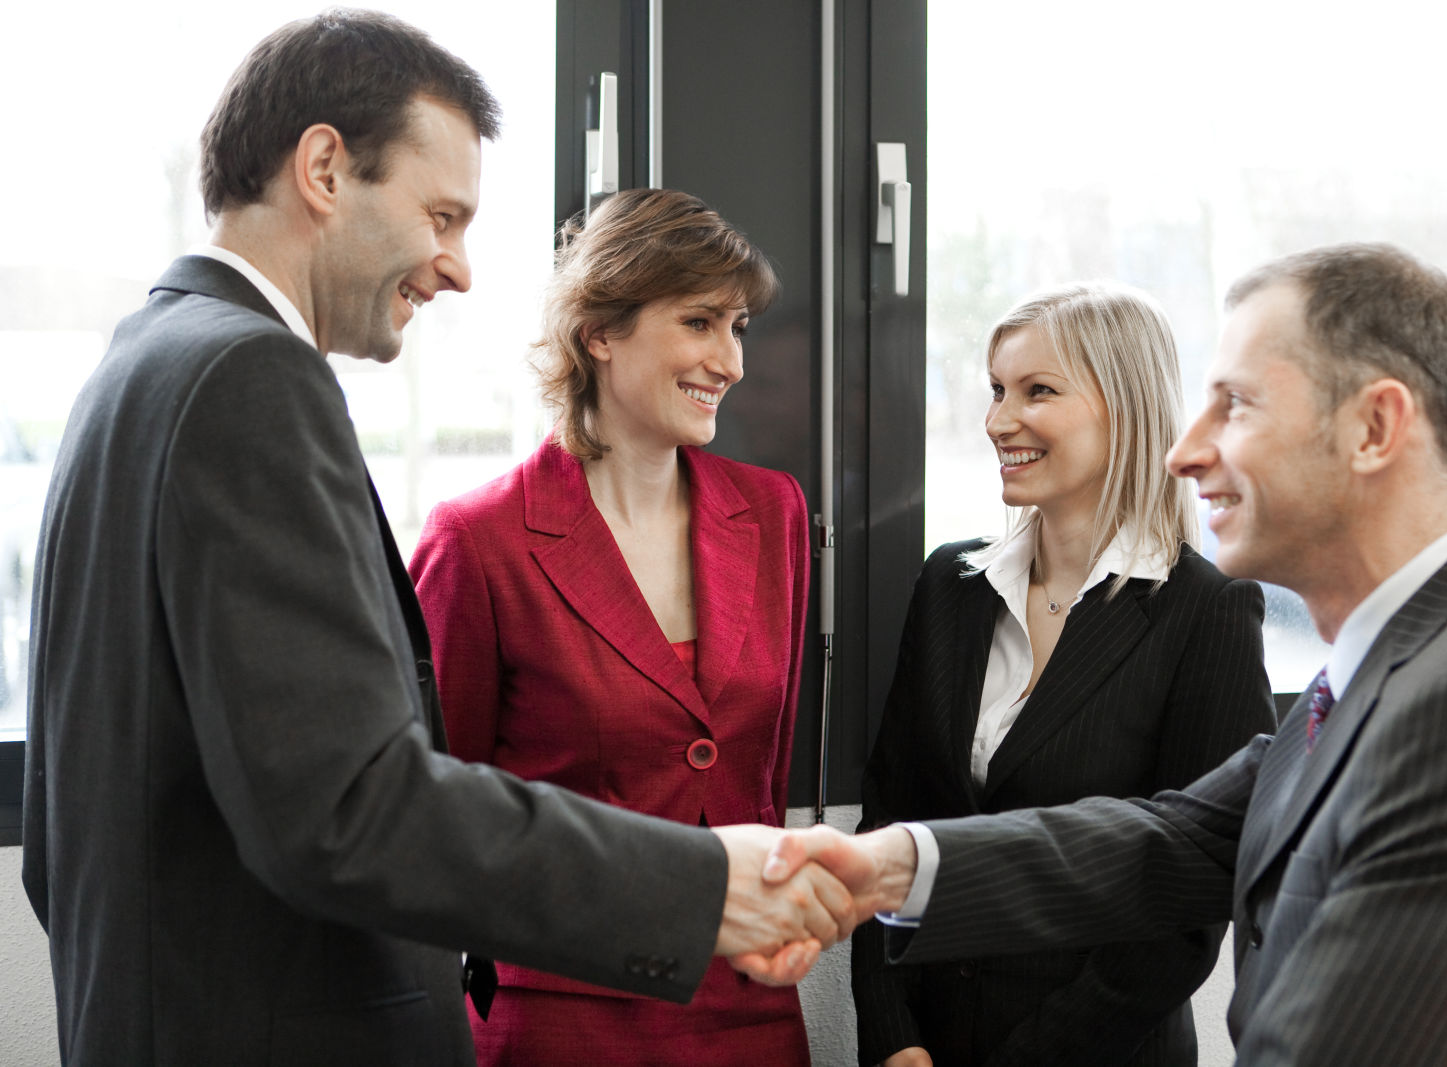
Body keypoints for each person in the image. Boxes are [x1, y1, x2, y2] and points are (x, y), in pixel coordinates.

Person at [20, 13, 844, 1066]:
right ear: (324, 167)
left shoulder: (142, 360)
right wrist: (702, 882)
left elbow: (63, 836)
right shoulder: (250, 378)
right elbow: (352, 805)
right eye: (441, 214)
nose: (456, 268)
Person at [774, 243, 1447, 1065]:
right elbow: (1174, 841)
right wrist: (891, 865)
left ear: (1374, 428)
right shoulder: (1406, 661)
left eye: (1235, 406)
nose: (1183, 450)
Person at [407, 187, 812, 1065]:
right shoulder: (477, 540)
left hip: (751, 1004)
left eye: (738, 327)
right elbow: (439, 821)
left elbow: (761, 776)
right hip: (565, 1017)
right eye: (700, 321)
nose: (731, 360)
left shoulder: (774, 512)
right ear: (599, 330)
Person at [853, 284, 1274, 1067]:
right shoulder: (951, 586)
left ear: (1125, 407)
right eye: (996, 390)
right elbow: (888, 825)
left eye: (1037, 391)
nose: (997, 420)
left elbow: (1186, 905)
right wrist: (891, 1034)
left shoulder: (1205, 611)